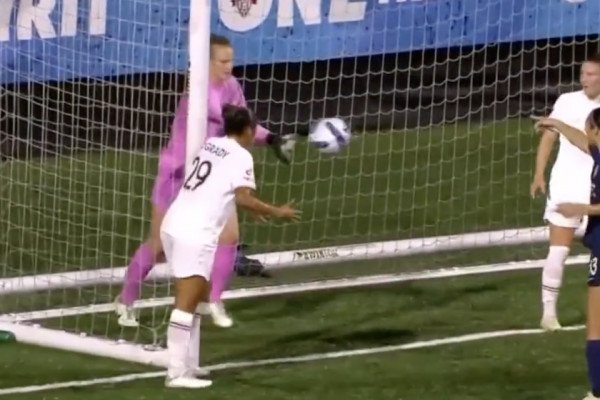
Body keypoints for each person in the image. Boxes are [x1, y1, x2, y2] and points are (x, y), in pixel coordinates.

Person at [115, 34, 296, 329]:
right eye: (223, 61)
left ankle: (213, 300)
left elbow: (244, 125)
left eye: (232, 60)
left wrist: (273, 138)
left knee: (229, 237)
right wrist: (260, 134)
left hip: (210, 177)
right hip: (176, 175)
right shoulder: (199, 92)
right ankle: (126, 301)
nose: (229, 67)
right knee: (159, 244)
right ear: (207, 62)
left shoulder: (232, 86)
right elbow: (231, 120)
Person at [161, 104, 300, 388]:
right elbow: (243, 196)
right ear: (248, 130)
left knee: (199, 295)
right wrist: (277, 212)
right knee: (186, 303)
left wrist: (251, 209)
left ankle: (188, 364)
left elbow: (220, 186)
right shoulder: (242, 157)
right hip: (194, 233)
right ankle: (176, 373)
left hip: (175, 223)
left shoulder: (213, 144)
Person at [530, 54, 600, 331]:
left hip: (595, 186)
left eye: (592, 75)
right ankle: (549, 314)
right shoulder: (567, 101)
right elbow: (549, 135)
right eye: (583, 74)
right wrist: (538, 175)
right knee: (559, 249)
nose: (585, 79)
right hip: (567, 184)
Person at [534, 109, 600, 400]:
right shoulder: (598, 153)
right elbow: (581, 142)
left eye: (588, 129)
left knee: (595, 327)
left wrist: (580, 209)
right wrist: (558, 125)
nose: (586, 135)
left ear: (596, 129)